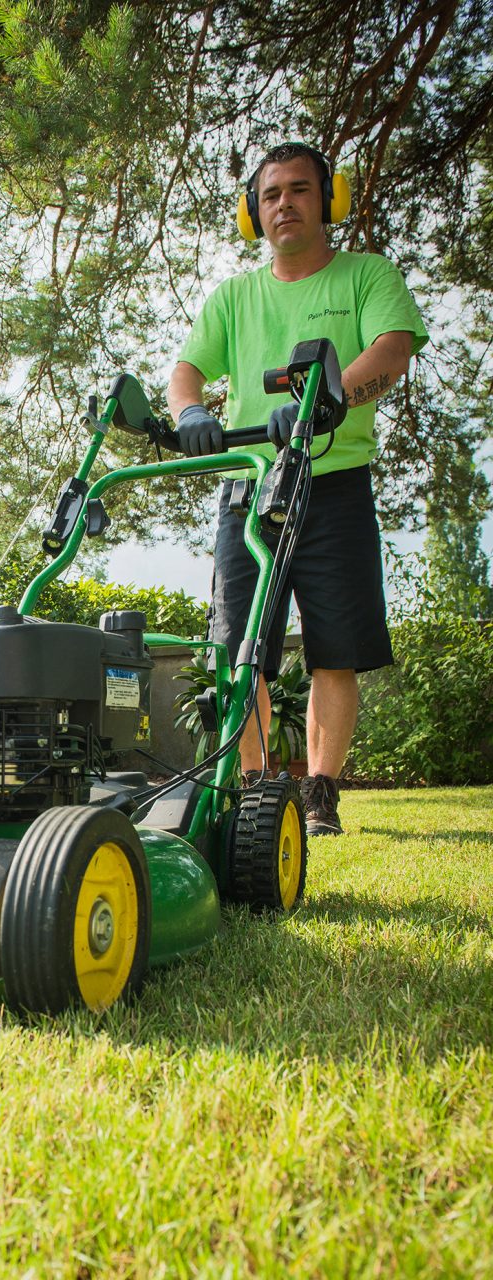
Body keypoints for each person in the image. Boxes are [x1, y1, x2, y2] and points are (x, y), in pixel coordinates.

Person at [166, 142, 428, 836]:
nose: (285, 203)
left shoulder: (366, 277)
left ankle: (318, 796)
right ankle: (254, 789)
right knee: (239, 648)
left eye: (300, 190)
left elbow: (392, 350)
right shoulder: (234, 296)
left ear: (328, 200)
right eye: (272, 193)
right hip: (248, 487)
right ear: (254, 212)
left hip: (333, 481)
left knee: (334, 650)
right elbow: (186, 368)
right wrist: (191, 412)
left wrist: (326, 400)